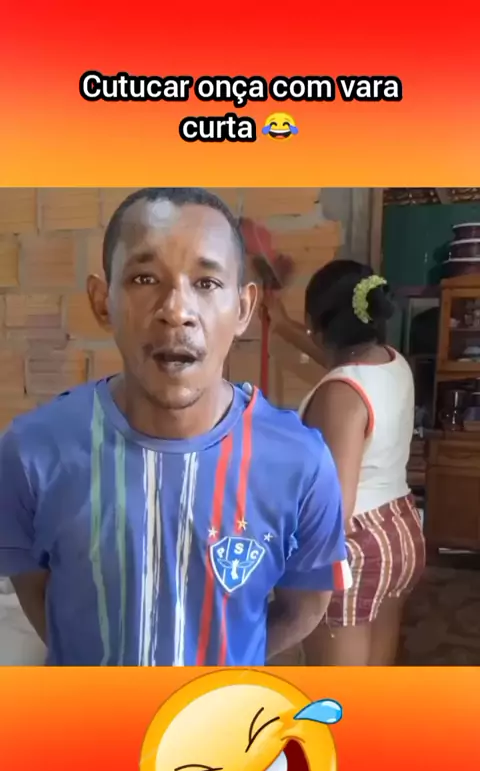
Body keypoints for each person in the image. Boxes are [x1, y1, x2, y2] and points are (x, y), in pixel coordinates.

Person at [0, 188, 352, 667]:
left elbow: (304, 606)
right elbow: (40, 599)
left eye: (206, 282)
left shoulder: (301, 463)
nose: (177, 310)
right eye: (144, 278)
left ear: (244, 308)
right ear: (103, 302)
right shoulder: (33, 453)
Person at [263, 258, 425, 666]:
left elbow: (334, 508)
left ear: (316, 325)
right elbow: (338, 361)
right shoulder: (390, 361)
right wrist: (281, 324)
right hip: (400, 531)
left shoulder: (339, 394)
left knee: (339, 691)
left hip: (355, 546)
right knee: (375, 675)